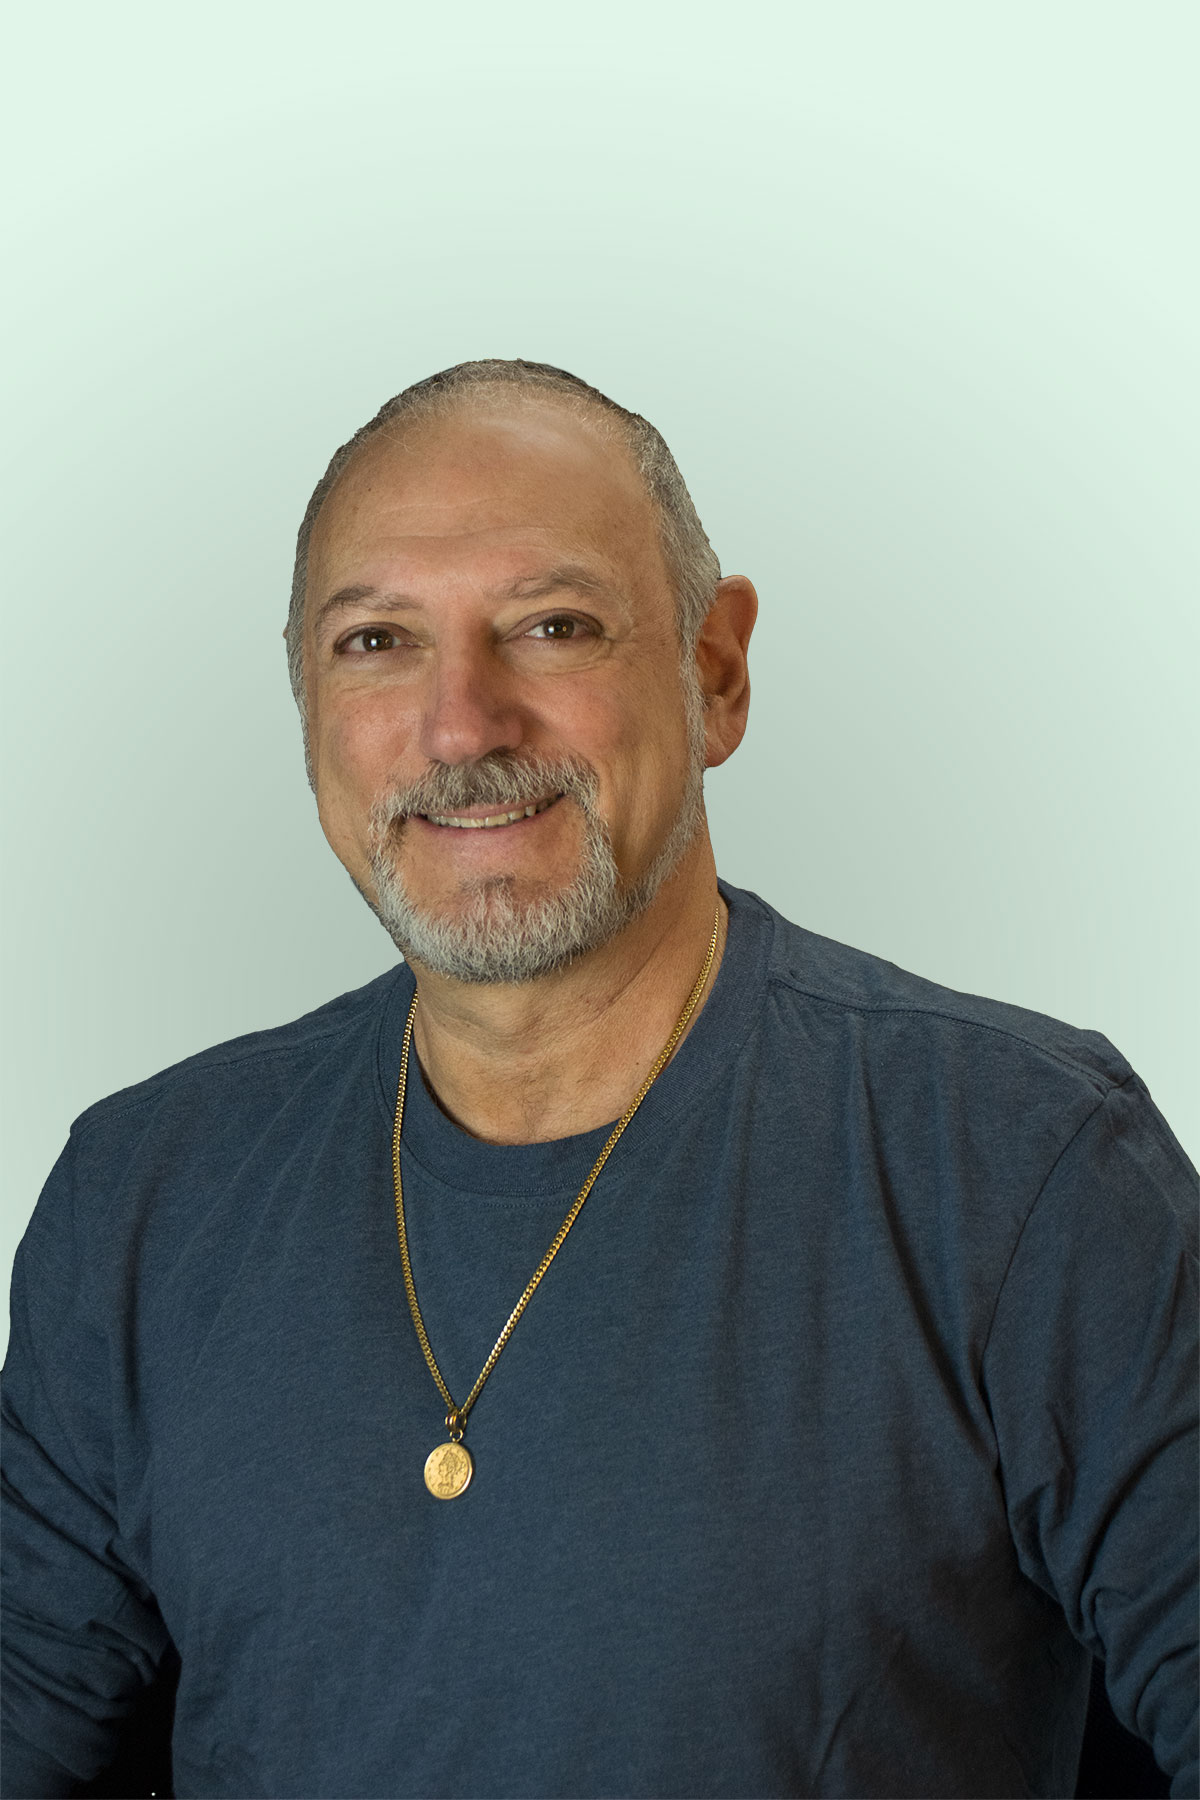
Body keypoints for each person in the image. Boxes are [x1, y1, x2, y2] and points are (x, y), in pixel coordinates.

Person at [2, 359, 1196, 1800]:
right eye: (377, 642)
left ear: (716, 674)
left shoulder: (1026, 1167)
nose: (462, 725)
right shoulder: (140, 1198)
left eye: (553, 626)